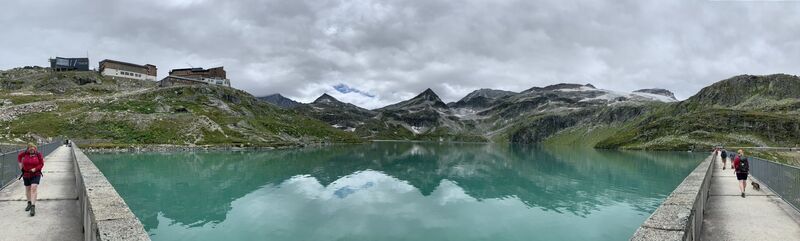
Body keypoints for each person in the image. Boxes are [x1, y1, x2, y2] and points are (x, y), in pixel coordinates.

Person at [17, 143, 44, 216]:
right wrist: (20, 165)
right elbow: (19, 157)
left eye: (33, 147)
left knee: (33, 188)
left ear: (35, 148)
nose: (31, 149)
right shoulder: (25, 154)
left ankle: (33, 206)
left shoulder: (38, 154)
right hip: (26, 174)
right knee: (27, 189)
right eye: (30, 147)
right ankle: (29, 203)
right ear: (28, 149)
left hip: (36, 174)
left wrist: (35, 169)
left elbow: (41, 164)